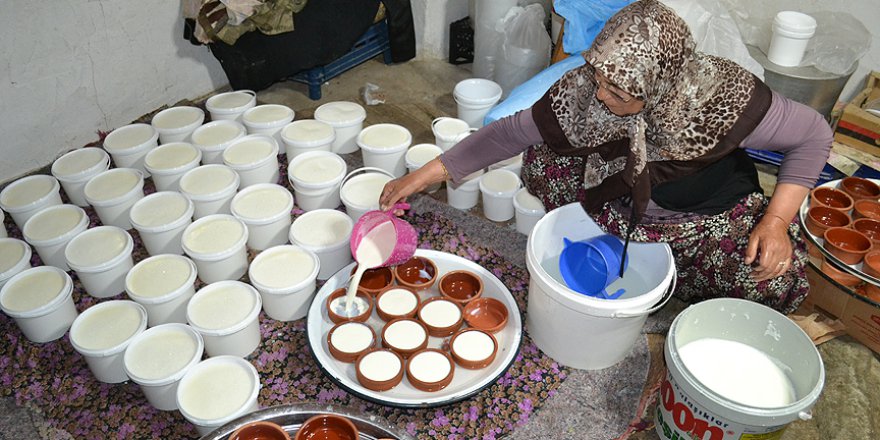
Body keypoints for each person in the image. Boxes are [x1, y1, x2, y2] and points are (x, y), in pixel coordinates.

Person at [379, 0, 832, 314]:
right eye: (597, 77)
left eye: (616, 91)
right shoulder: (593, 86)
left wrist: (775, 221)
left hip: (696, 216)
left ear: (658, 84)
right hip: (619, 195)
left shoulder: (717, 97)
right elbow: (512, 132)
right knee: (541, 157)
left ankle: (665, 257)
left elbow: (813, 136)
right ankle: (617, 232)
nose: (599, 94)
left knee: (769, 283)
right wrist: (427, 173)